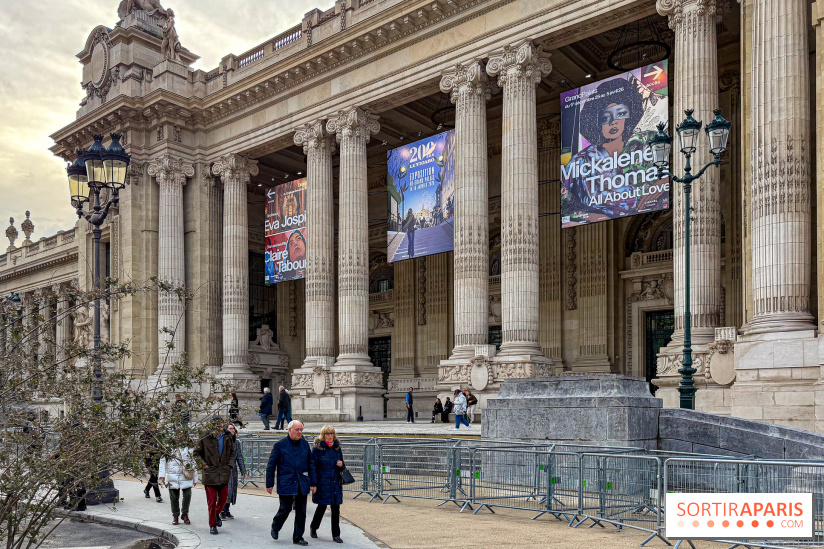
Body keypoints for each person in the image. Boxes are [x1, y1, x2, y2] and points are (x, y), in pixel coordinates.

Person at [266, 420, 317, 546]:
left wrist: (313, 483)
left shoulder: (305, 445)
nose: (300, 432)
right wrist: (269, 483)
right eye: (297, 430)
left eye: (301, 430)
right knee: (285, 508)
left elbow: (311, 465)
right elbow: (271, 465)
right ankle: (276, 526)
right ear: (290, 430)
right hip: (286, 481)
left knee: (301, 511)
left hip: (302, 481)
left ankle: (298, 536)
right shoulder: (280, 445)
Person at [194, 417, 235, 535]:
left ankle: (217, 514)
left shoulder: (228, 436)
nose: (220, 428)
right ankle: (212, 525)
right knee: (211, 501)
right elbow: (196, 453)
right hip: (210, 474)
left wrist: (229, 465)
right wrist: (204, 465)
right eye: (217, 425)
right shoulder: (205, 437)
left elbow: (232, 453)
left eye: (221, 425)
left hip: (224, 473)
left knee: (224, 498)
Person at [309, 425, 345, 544]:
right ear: (323, 435)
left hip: (335, 481)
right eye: (327, 434)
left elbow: (342, 464)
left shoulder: (337, 448)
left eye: (332, 434)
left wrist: (341, 465)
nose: (330, 436)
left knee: (336, 508)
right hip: (322, 481)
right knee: (322, 507)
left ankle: (336, 534)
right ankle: (314, 527)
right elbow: (312, 467)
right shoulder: (317, 449)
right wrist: (313, 483)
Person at [159, 434, 199, 525]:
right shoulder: (169, 447)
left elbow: (194, 463)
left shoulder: (189, 448)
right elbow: (162, 460)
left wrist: (195, 478)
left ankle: (185, 514)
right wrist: (162, 475)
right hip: (172, 475)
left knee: (187, 495)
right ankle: (175, 515)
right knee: (174, 497)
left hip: (185, 475)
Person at [220, 423, 246, 520]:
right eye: (230, 428)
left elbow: (239, 456)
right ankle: (222, 510)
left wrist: (243, 470)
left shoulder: (237, 442)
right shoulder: (222, 441)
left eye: (233, 428)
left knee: (232, 490)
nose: (233, 430)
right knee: (225, 490)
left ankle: (227, 510)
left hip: (233, 469)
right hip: (223, 469)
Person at [141, 427, 163, 502]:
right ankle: (158, 495)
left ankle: (146, 489)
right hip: (148, 459)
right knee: (154, 475)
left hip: (157, 458)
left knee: (154, 476)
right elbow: (143, 449)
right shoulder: (144, 436)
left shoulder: (158, 435)